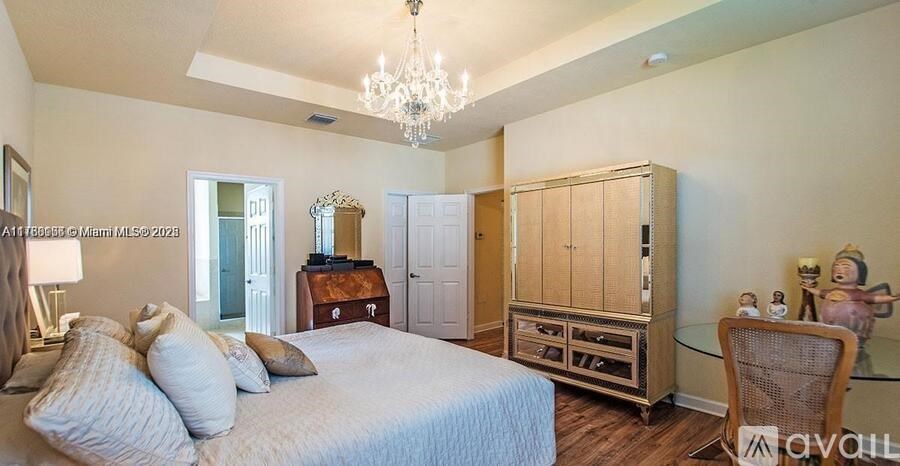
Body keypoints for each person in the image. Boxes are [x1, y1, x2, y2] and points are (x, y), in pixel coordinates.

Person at [803, 244, 900, 346]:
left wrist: (894, 297)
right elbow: (820, 292)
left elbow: (875, 298)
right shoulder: (831, 292)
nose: (840, 270)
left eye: (846, 267)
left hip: (853, 337)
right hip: (830, 336)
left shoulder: (859, 294)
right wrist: (809, 288)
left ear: (860, 272)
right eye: (837, 267)